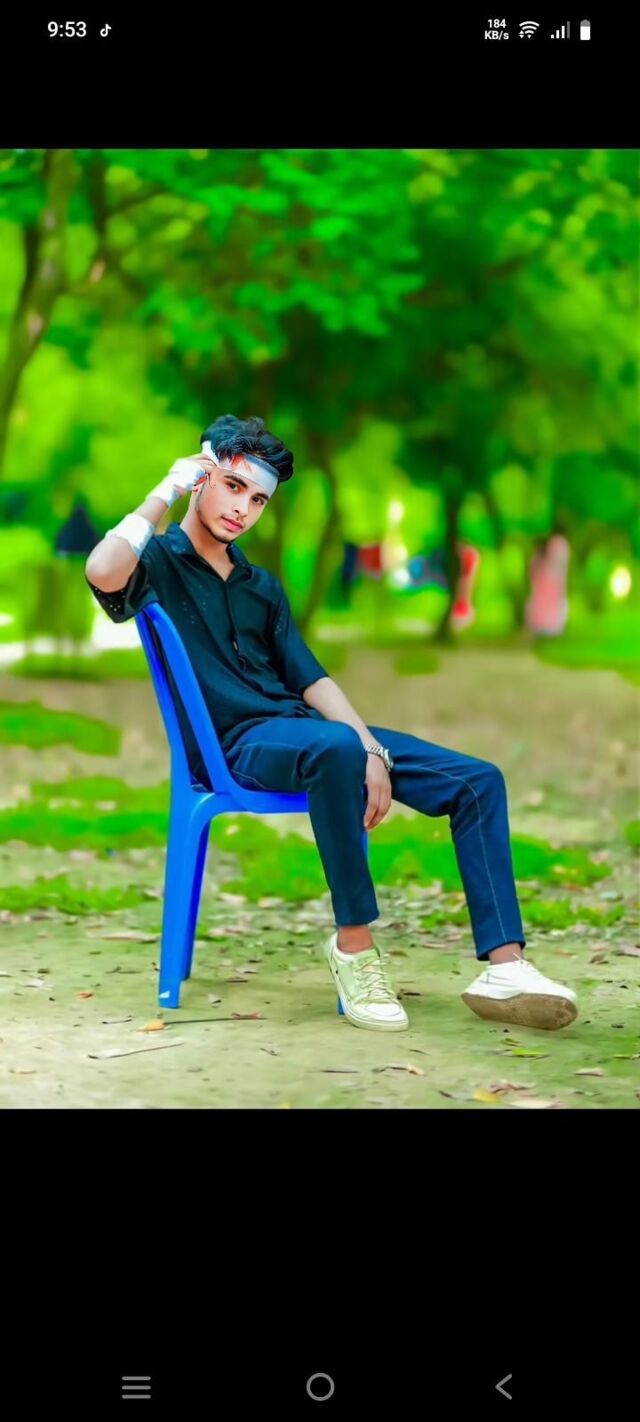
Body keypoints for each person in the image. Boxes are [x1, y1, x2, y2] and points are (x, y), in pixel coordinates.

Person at [85, 414, 578, 1034]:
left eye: (258, 499)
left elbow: (310, 679)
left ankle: (505, 967)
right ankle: (354, 949)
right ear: (202, 477)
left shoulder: (261, 586)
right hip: (234, 748)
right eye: (233, 487)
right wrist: (167, 487)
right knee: (335, 748)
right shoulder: (156, 561)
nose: (243, 509)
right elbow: (102, 571)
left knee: (477, 781)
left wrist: (370, 747)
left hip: (310, 734)